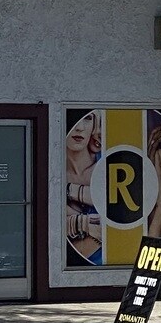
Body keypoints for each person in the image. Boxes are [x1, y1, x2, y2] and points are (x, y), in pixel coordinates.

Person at [65, 111, 103, 264]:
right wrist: (86, 224)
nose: (79, 127)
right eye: (73, 120)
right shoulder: (51, 171)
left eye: (87, 118)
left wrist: (69, 191)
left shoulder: (106, 164)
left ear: (95, 125)